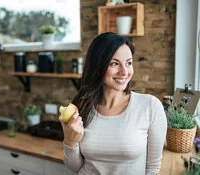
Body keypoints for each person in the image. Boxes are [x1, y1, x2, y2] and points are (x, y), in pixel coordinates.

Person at [60, 32, 167, 175]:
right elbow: (75, 167)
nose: (124, 72)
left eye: (128, 63)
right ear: (98, 66)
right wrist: (69, 141)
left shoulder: (150, 106)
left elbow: (152, 168)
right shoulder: (81, 107)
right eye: (114, 63)